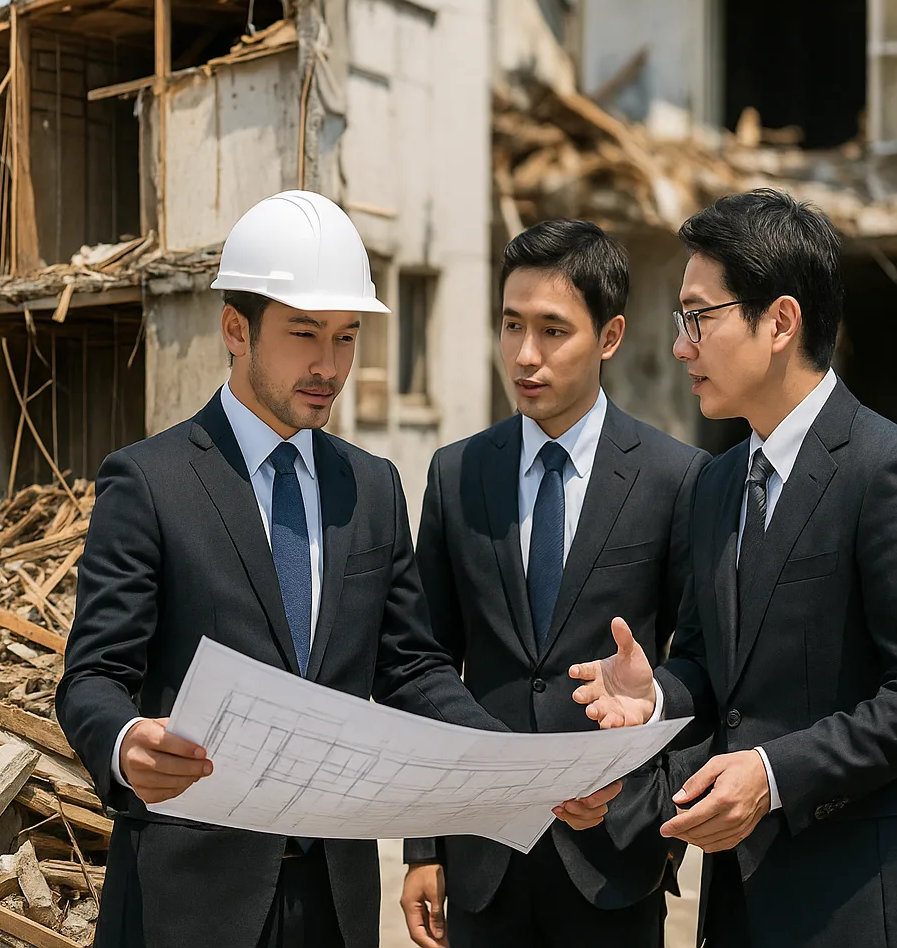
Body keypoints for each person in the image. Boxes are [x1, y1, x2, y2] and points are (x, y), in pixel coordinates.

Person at [57, 190, 618, 948]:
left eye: (347, 337)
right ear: (236, 328)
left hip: (336, 902)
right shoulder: (150, 483)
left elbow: (412, 668)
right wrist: (126, 742)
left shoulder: (371, 488)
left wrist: (515, 766)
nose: (329, 366)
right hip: (188, 901)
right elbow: (93, 676)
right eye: (303, 334)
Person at [571, 188, 897, 947]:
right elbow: (714, 670)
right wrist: (655, 696)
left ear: (780, 322)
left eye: (699, 317)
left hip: (850, 907)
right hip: (733, 908)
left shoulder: (879, 469)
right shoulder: (717, 483)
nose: (681, 347)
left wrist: (774, 775)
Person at [396, 220, 707, 948]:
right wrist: (424, 845)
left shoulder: (673, 478)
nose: (525, 355)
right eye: (511, 325)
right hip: (482, 855)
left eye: (552, 330)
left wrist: (658, 817)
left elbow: (699, 664)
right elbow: (422, 662)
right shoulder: (456, 474)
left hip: (615, 859)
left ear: (610, 336)